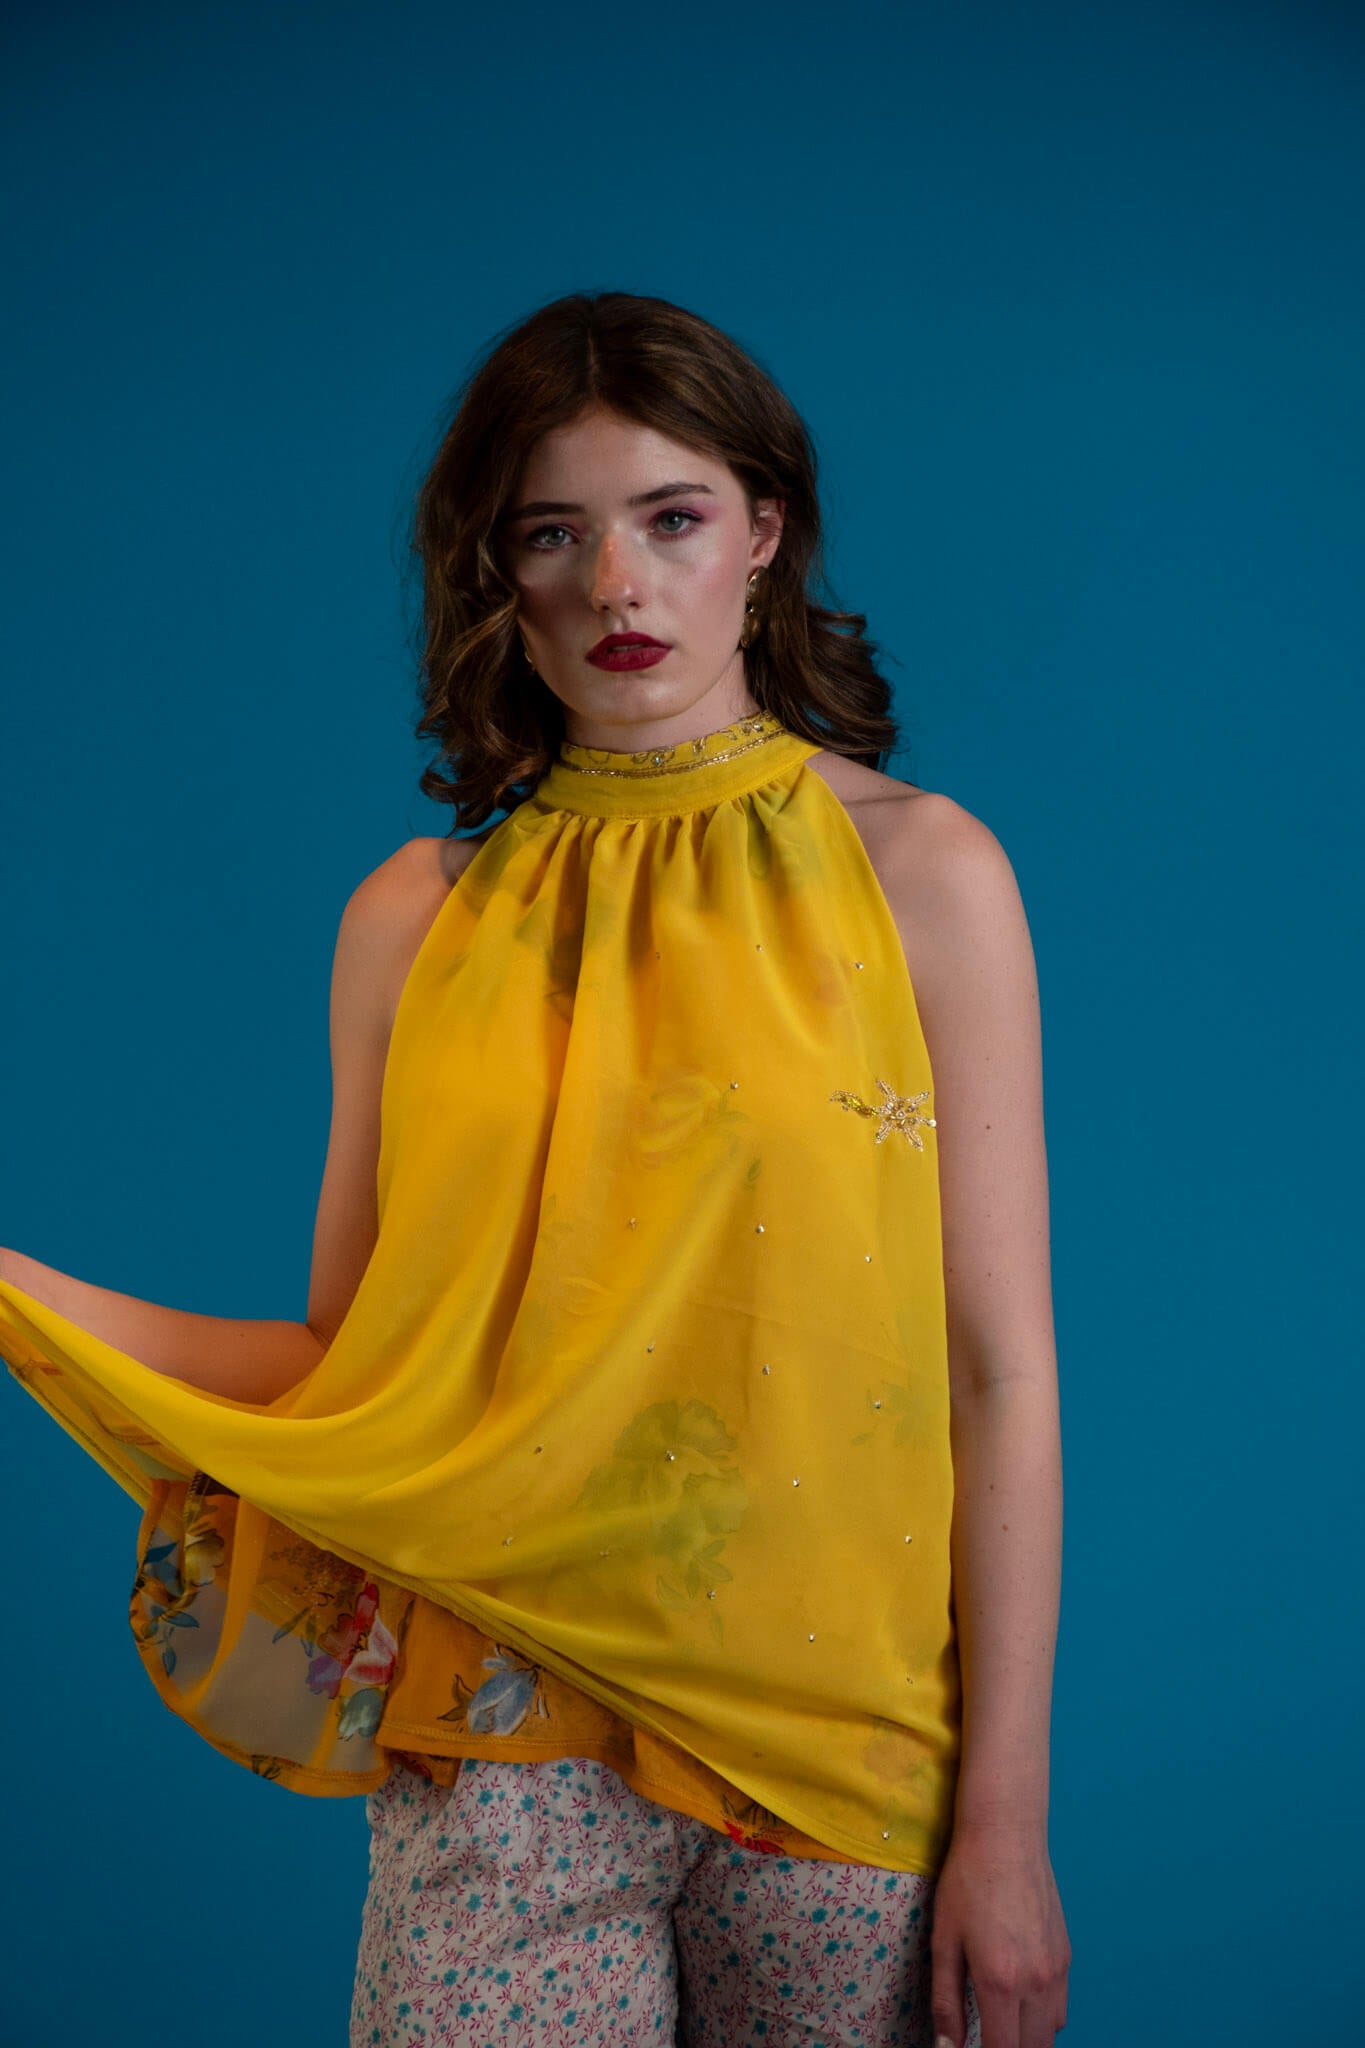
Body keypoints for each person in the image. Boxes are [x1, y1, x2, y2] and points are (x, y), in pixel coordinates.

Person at [0, 290, 1070, 2048]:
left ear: (763, 532)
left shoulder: (925, 879)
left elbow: (997, 1372)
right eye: (552, 533)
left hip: (840, 1759)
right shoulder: (412, 921)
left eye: (672, 518)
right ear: (494, 569)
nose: (616, 585)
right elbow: (351, 1367)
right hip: (499, 1737)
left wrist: (1007, 1830)